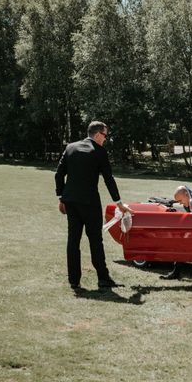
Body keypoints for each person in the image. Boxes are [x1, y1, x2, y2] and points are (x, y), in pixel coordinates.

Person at [55, 121, 133, 291]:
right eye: (105, 135)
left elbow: (59, 174)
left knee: (73, 240)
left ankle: (74, 281)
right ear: (98, 134)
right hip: (89, 203)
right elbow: (108, 179)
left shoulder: (70, 148)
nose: (105, 139)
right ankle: (103, 278)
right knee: (95, 240)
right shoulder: (99, 152)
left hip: (71, 202)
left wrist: (61, 197)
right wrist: (119, 203)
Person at [160, 186, 191, 280]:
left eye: (180, 200)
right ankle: (176, 272)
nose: (180, 203)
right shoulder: (187, 203)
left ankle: (176, 273)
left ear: (186, 195)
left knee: (180, 245)